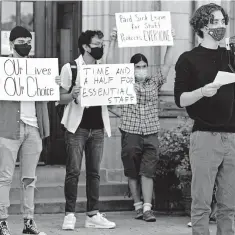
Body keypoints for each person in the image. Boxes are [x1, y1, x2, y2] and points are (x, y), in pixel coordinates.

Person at [174, 3, 235, 235]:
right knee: (201, 203)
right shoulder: (188, 59)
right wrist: (202, 91)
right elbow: (180, 99)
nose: (221, 26)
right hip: (205, 136)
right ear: (201, 26)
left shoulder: (229, 55)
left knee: (229, 204)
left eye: (223, 21)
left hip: (232, 137)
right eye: (215, 22)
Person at [106, 28, 175, 222]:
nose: (142, 69)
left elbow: (167, 65)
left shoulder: (154, 82)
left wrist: (170, 42)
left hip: (151, 132)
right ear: (132, 68)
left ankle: (147, 208)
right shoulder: (124, 81)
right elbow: (109, 66)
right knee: (132, 171)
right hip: (131, 131)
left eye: (144, 66)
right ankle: (137, 205)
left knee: (148, 171)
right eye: (138, 66)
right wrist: (112, 41)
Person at [0, 26, 61, 235]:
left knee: (29, 178)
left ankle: (28, 221)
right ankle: (2, 221)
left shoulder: (38, 68)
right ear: (11, 44)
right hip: (8, 128)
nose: (26, 45)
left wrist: (54, 85)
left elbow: (50, 96)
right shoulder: (3, 67)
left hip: (33, 127)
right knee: (5, 176)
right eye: (21, 42)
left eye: (28, 41)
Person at [59, 30, 115, 230]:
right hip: (77, 128)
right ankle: (69, 214)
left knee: (94, 172)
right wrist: (72, 94)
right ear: (86, 47)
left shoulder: (103, 69)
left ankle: (92, 214)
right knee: (73, 171)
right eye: (97, 44)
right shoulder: (71, 68)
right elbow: (60, 98)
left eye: (102, 44)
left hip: (98, 128)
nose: (101, 47)